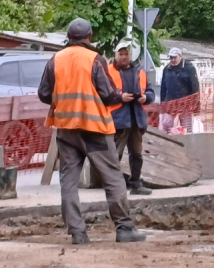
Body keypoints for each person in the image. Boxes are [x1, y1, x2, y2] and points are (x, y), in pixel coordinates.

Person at [36, 19, 146, 244]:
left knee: (68, 180)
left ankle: (77, 233)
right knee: (113, 177)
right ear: (89, 36)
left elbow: (44, 94)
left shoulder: (55, 60)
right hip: (95, 128)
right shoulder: (95, 59)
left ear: (68, 36)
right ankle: (124, 228)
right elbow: (107, 94)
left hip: (66, 129)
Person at [108, 41, 152, 196]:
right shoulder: (108, 72)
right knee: (115, 156)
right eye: (121, 54)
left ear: (130, 55)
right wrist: (120, 98)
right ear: (116, 55)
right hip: (119, 120)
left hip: (136, 119)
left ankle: (136, 184)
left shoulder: (140, 72)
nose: (124, 57)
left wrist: (146, 98)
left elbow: (150, 91)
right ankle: (114, 187)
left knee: (137, 154)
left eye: (126, 54)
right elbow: (102, 95)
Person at [159, 46, 200, 133]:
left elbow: (194, 86)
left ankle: (187, 144)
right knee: (166, 124)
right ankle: (167, 141)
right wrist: (162, 102)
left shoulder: (189, 68)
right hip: (170, 102)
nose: (173, 60)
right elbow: (163, 87)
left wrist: (194, 102)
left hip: (185, 102)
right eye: (171, 57)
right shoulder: (167, 69)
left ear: (180, 56)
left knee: (186, 126)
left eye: (175, 57)